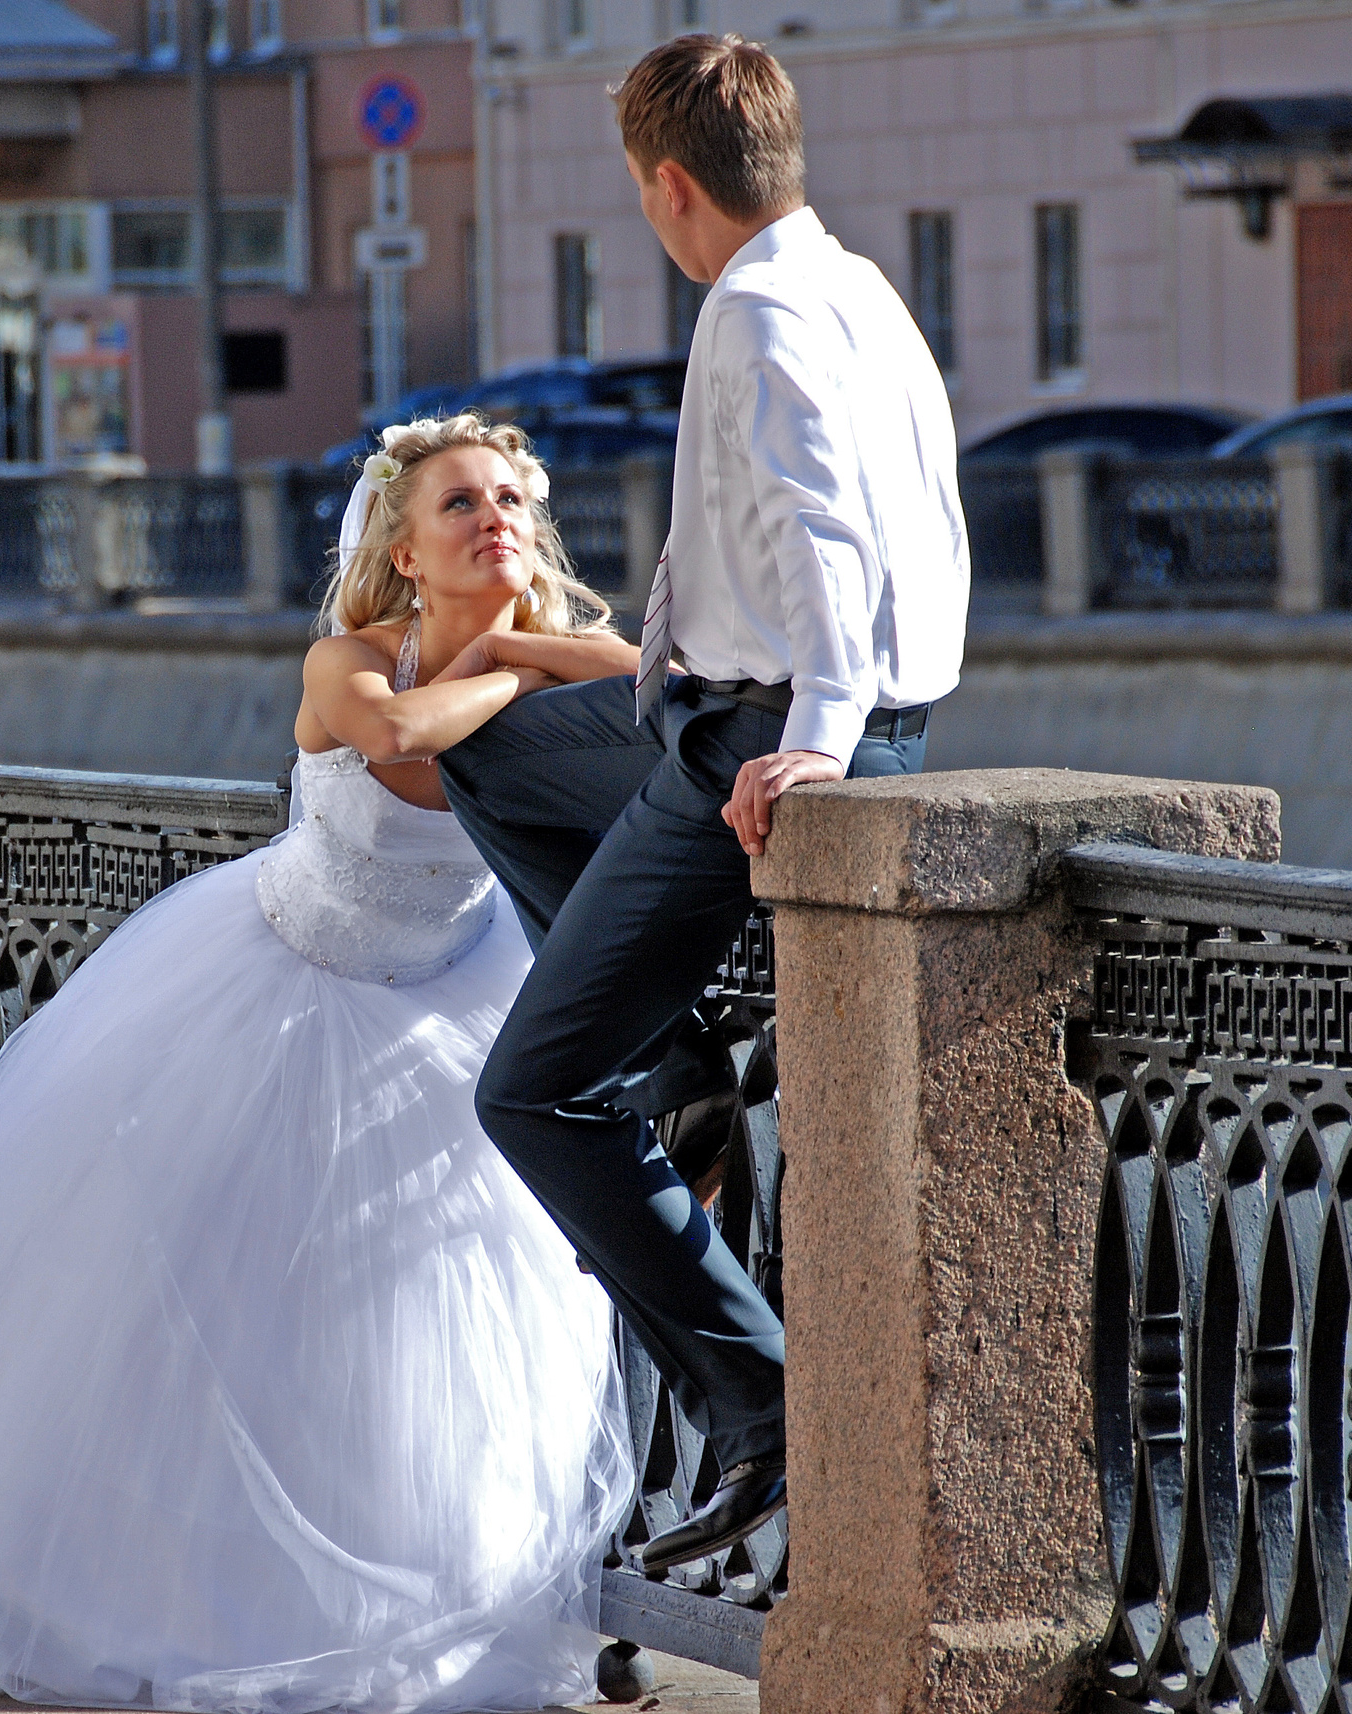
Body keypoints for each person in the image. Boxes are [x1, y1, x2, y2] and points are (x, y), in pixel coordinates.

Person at [0, 414, 647, 1712]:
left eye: (512, 498)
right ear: (402, 547)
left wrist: (512, 639)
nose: (496, 517)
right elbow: (398, 737)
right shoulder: (346, 659)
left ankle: (401, 1628)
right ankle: (172, 1610)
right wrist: (505, 664)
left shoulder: (545, 659)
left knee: (406, 1347)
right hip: (277, 998)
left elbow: (643, 677)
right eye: (460, 504)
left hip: (444, 1026)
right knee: (225, 1334)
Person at [438, 33, 971, 1576]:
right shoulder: (860, 282)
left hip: (761, 738)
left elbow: (829, 525)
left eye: (643, 201)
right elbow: (917, 516)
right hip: (729, 713)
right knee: (501, 755)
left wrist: (817, 728)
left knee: (531, 1091)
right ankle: (672, 1051)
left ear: (674, 189)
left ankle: (762, 1401)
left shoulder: (754, 310)